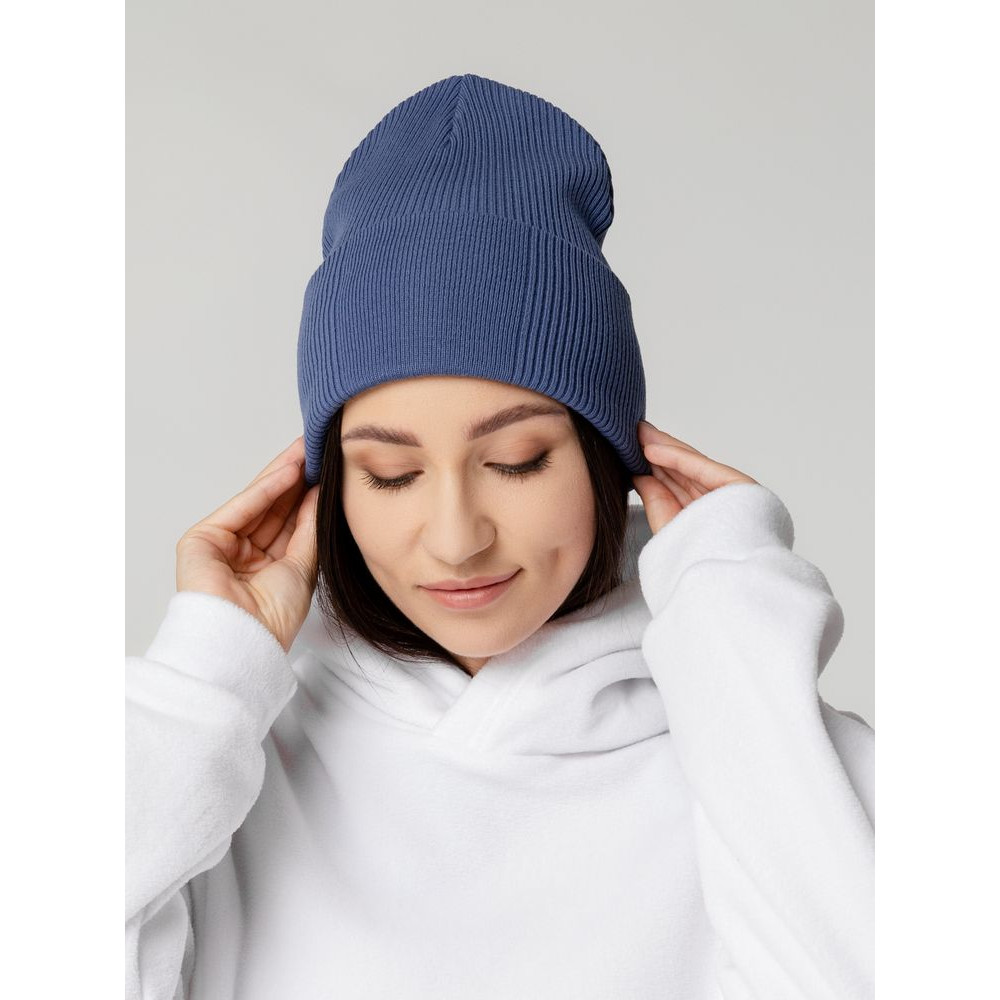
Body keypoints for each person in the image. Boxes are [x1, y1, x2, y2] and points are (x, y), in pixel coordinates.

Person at [126, 74, 874, 1000]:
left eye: (516, 461)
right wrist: (200, 679)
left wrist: (738, 636)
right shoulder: (217, 764)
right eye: (391, 474)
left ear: (605, 459)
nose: (456, 540)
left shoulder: (763, 741)